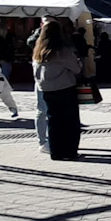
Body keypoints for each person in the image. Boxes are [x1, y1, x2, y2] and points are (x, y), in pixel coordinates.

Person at [32, 22, 82, 161]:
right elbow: (76, 68)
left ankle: (56, 152)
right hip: (64, 87)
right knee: (70, 122)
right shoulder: (62, 51)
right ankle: (70, 151)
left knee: (54, 121)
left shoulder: (38, 51)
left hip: (46, 89)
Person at [30, 16, 56, 152]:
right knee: (42, 110)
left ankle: (53, 139)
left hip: (54, 80)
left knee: (52, 111)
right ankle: (43, 141)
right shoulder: (36, 39)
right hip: (43, 80)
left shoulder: (58, 38)